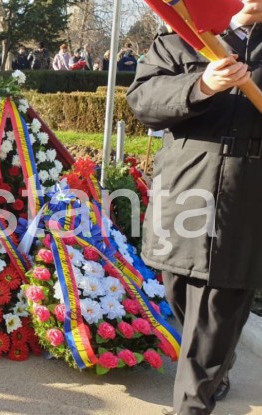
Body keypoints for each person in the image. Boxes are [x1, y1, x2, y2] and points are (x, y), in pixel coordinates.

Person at [127, 2, 262, 414]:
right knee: (180, 288)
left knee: (221, 300)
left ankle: (194, 401)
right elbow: (143, 101)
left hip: (248, 193)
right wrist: (202, 84)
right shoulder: (180, 39)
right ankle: (217, 363)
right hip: (186, 185)